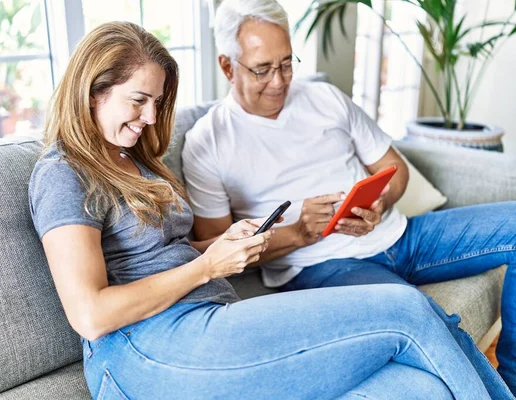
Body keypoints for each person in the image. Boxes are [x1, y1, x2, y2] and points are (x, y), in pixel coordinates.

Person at [29, 21, 491, 400]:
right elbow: (89, 314)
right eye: (139, 100)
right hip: (144, 348)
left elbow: (167, 254)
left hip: (203, 320)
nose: (151, 118)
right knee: (406, 310)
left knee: (415, 387)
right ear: (93, 91)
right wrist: (208, 265)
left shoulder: (132, 158)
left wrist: (226, 245)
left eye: (158, 102)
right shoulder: (63, 173)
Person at [181, 0, 516, 398]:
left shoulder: (325, 98)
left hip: (403, 236)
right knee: (422, 317)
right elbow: (218, 257)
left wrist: (380, 203)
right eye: (262, 69)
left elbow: (395, 168)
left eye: (287, 63)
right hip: (324, 266)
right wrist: (297, 234)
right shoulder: (208, 142)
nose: (279, 80)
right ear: (226, 66)